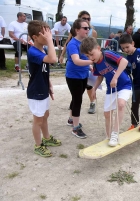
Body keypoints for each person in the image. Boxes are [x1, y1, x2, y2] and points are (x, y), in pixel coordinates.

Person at [80, 37, 132, 147]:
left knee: (121, 104)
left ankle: (115, 133)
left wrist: (115, 77)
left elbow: (124, 61)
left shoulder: (107, 54)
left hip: (124, 85)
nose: (90, 58)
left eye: (92, 54)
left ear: (98, 48)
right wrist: (94, 88)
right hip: (111, 88)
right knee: (107, 113)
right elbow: (99, 77)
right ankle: (108, 136)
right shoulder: (95, 64)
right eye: (88, 56)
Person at [27, 20, 62, 157]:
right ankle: (38, 145)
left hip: (43, 88)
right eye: (45, 33)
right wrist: (50, 41)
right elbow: (53, 59)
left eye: (49, 32)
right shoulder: (33, 52)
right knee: (38, 119)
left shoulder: (43, 49)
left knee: (45, 115)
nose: (49, 35)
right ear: (35, 37)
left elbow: (44, 70)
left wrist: (49, 84)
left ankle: (47, 138)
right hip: (36, 91)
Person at [59, 10, 97, 114]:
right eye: (84, 18)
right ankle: (74, 116)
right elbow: (68, 43)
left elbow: (93, 48)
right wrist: (62, 54)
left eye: (88, 19)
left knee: (86, 88)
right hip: (79, 68)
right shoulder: (75, 37)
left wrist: (92, 62)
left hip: (85, 67)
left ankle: (91, 103)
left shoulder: (92, 32)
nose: (87, 21)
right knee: (78, 96)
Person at [65, 18, 93, 139]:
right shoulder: (72, 44)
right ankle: (75, 128)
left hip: (83, 75)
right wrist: (92, 61)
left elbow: (85, 57)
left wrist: (90, 65)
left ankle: (71, 119)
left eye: (88, 28)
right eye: (85, 28)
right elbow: (76, 60)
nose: (88, 30)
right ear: (77, 30)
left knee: (77, 97)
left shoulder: (84, 42)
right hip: (73, 76)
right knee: (78, 100)